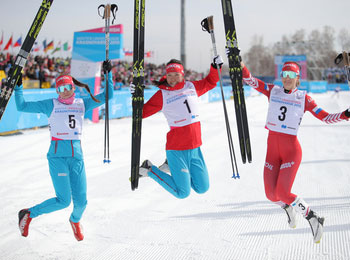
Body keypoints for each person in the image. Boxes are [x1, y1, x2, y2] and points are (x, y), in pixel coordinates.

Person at [241, 60, 350, 243]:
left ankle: (314, 218)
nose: (287, 78)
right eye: (285, 74)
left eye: (292, 75)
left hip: (291, 151)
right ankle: (288, 207)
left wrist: (345, 114)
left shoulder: (304, 98)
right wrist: (241, 62)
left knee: (283, 192)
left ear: (298, 78)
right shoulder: (272, 90)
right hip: (272, 152)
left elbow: (325, 117)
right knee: (270, 194)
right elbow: (250, 80)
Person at [15, 60, 114, 241]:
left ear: (73, 87)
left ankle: (75, 221)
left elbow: (109, 95)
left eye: (68, 87)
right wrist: (18, 87)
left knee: (82, 202)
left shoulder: (82, 103)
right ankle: (28, 214)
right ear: (56, 91)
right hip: (57, 156)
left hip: (76, 157)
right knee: (63, 200)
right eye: (60, 89)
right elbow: (22, 106)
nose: (65, 91)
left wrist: (109, 75)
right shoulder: (50, 104)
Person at [131, 56, 223, 199]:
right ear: (165, 76)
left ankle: (170, 166)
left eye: (176, 75)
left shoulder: (191, 87)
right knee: (182, 192)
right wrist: (136, 96)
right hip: (177, 149)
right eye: (169, 75)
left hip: (195, 148)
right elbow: (140, 114)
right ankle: (149, 169)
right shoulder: (162, 94)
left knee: (202, 187)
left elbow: (211, 82)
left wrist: (215, 67)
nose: (172, 78)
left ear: (182, 74)